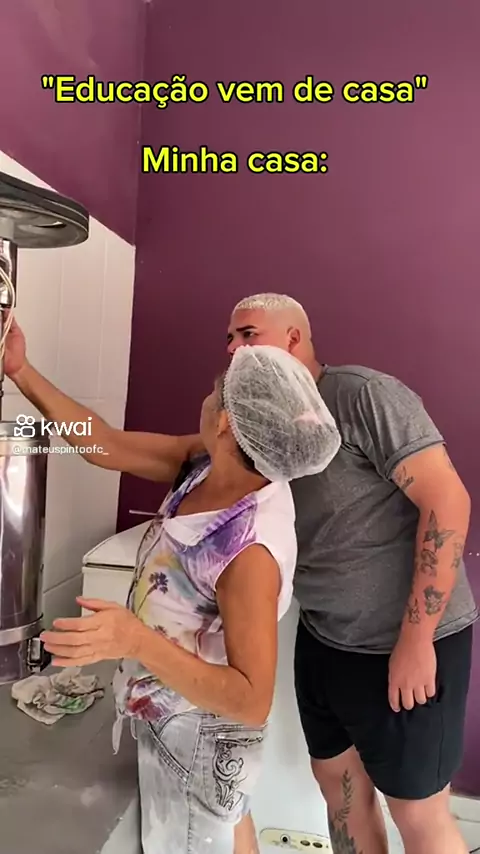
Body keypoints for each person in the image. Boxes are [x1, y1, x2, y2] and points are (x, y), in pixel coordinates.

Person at [5, 290, 476, 854]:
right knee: (340, 790)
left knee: (417, 811)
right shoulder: (223, 457)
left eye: (247, 335)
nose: (233, 350)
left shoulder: (355, 407)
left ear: (294, 338)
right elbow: (103, 444)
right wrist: (20, 374)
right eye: (230, 339)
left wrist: (418, 639)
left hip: (402, 640)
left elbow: (447, 501)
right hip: (326, 637)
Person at [18, 341, 341, 854]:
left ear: (227, 423)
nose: (206, 398)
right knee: (232, 829)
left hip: (202, 742)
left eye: (215, 393)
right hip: (175, 716)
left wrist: (135, 640)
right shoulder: (211, 463)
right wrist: (19, 369)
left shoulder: (249, 550)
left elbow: (251, 700)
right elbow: (105, 444)